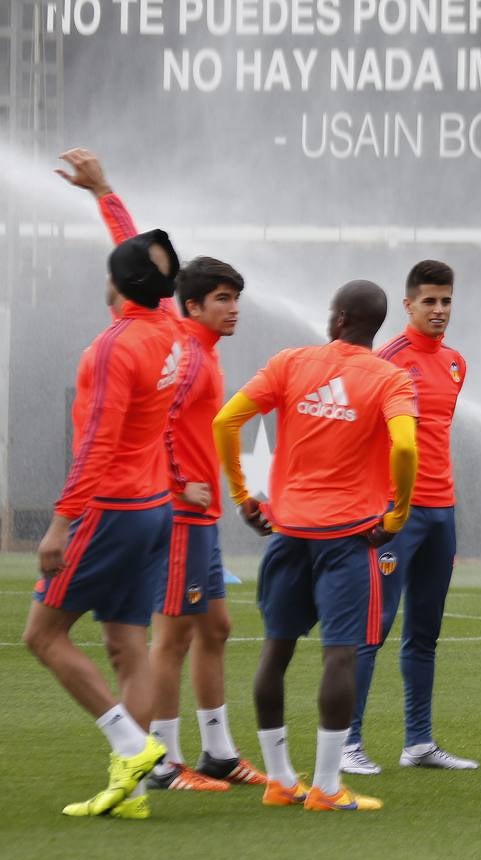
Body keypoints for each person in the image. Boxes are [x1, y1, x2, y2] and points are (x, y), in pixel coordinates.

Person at [56, 148, 266, 793]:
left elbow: (136, 253)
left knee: (216, 628)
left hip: (198, 510)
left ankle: (218, 753)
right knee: (168, 638)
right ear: (192, 304)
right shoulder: (178, 346)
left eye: (237, 298)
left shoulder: (189, 341)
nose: (234, 309)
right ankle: (162, 762)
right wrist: (181, 483)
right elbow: (157, 426)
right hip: (175, 508)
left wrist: (106, 192)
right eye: (223, 299)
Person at [213, 280, 419, 812]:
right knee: (340, 656)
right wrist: (396, 512)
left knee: (275, 652)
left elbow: (226, 421)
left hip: (288, 535)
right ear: (374, 327)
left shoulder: (289, 362)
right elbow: (404, 444)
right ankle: (327, 788)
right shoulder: (391, 379)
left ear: (339, 319)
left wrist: (243, 495)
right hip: (346, 540)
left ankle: (280, 780)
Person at [24, 225, 184, 820]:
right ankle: (133, 793)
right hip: (154, 510)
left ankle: (131, 745)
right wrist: (103, 193)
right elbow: (151, 267)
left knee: (42, 636)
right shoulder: (168, 326)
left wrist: (60, 524)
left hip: (111, 511)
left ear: (117, 282)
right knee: (126, 645)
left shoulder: (113, 347)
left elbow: (95, 447)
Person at [345, 260, 476, 775]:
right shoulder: (387, 361)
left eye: (446, 301)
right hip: (396, 517)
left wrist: (448, 514)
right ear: (408, 305)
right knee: (371, 628)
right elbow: (367, 439)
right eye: (429, 302)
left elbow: (438, 441)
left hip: (441, 516)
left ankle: (418, 743)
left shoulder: (456, 364)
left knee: (425, 632)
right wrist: (376, 508)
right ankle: (349, 742)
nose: (440, 310)